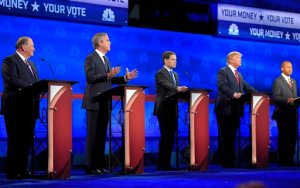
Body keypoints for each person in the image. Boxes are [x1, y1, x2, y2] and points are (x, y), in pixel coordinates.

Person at [82, 32, 138, 175]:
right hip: (94, 102)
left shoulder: (106, 60)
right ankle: (90, 166)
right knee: (93, 135)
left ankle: (99, 165)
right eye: (107, 40)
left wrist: (125, 77)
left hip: (104, 102)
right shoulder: (91, 58)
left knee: (101, 135)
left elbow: (109, 80)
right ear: (100, 43)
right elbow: (90, 78)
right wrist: (108, 74)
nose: (110, 42)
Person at [1, 36, 39, 179]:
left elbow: (36, 84)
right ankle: (13, 171)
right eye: (32, 45)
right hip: (15, 107)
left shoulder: (32, 65)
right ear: (23, 47)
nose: (34, 48)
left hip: (30, 108)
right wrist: (32, 87)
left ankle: (22, 168)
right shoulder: (9, 61)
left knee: (27, 140)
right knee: (16, 139)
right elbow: (11, 80)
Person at [215, 51, 257, 168]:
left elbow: (247, 87)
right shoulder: (223, 71)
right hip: (225, 108)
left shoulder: (239, 75)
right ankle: (225, 161)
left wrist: (260, 94)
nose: (241, 61)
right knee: (225, 136)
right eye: (239, 58)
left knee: (232, 135)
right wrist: (233, 94)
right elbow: (221, 86)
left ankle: (231, 160)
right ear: (231, 60)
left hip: (236, 109)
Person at [154, 51, 188, 171]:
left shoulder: (176, 74)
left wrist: (181, 90)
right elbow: (166, 85)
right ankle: (161, 164)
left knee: (171, 137)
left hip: (173, 108)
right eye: (173, 59)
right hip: (163, 108)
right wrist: (177, 88)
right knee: (165, 136)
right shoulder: (160, 73)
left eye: (176, 59)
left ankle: (167, 163)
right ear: (166, 60)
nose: (175, 61)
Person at [272, 61, 298, 166]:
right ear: (282, 69)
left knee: (292, 137)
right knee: (284, 137)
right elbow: (276, 97)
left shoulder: (293, 81)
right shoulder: (277, 81)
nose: (290, 69)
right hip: (282, 114)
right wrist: (287, 100)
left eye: (291, 67)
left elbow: (294, 97)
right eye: (288, 67)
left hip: (292, 114)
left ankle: (290, 160)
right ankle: (283, 160)